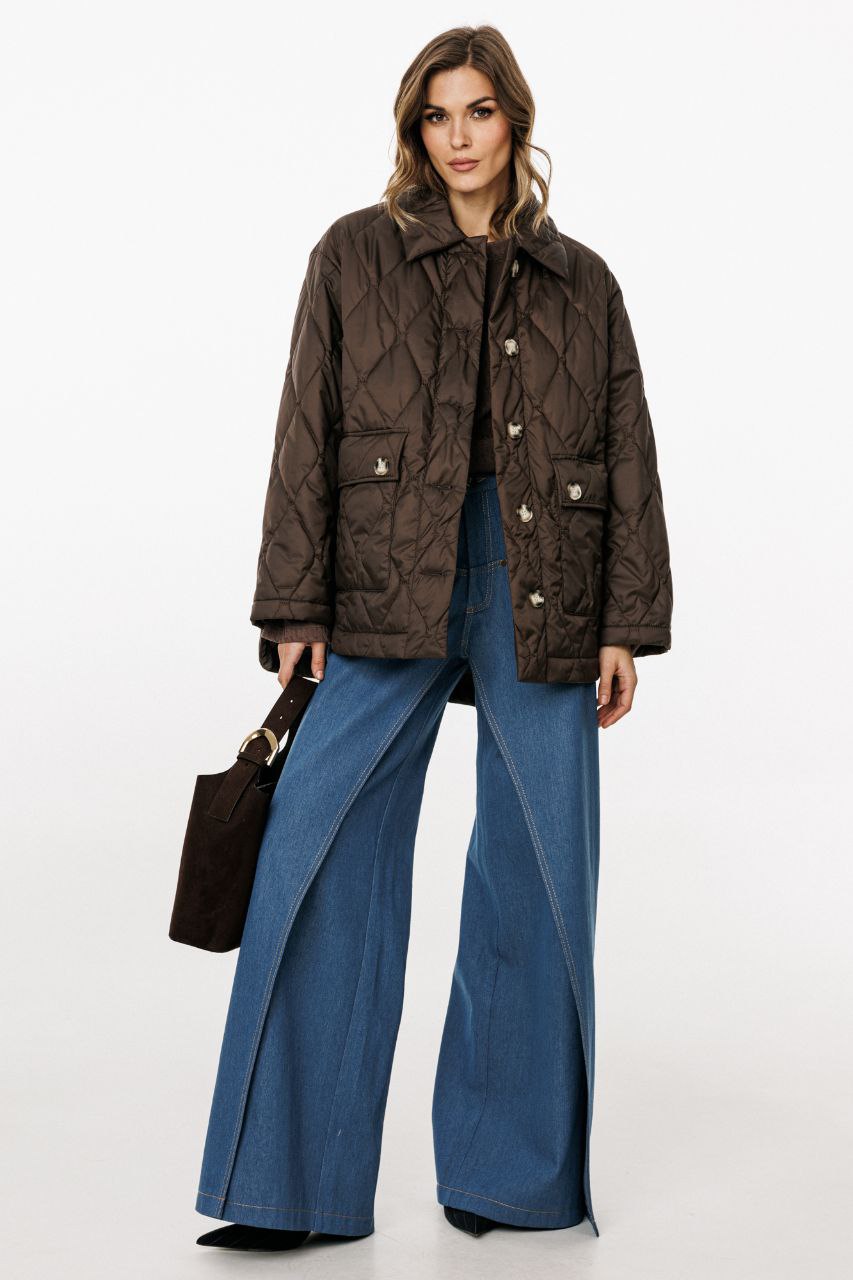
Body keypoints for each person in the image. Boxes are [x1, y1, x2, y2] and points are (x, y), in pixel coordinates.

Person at [194, 23, 673, 1253]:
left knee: (537, 866)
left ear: (515, 120)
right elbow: (304, 428)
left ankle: (505, 1176)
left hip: (543, 579)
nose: (458, 137)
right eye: (436, 116)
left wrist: (625, 624)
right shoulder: (352, 253)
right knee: (317, 851)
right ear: (415, 130)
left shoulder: (583, 281)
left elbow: (626, 454)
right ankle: (290, 1186)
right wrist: (295, 606)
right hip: (380, 572)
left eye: (479, 111)